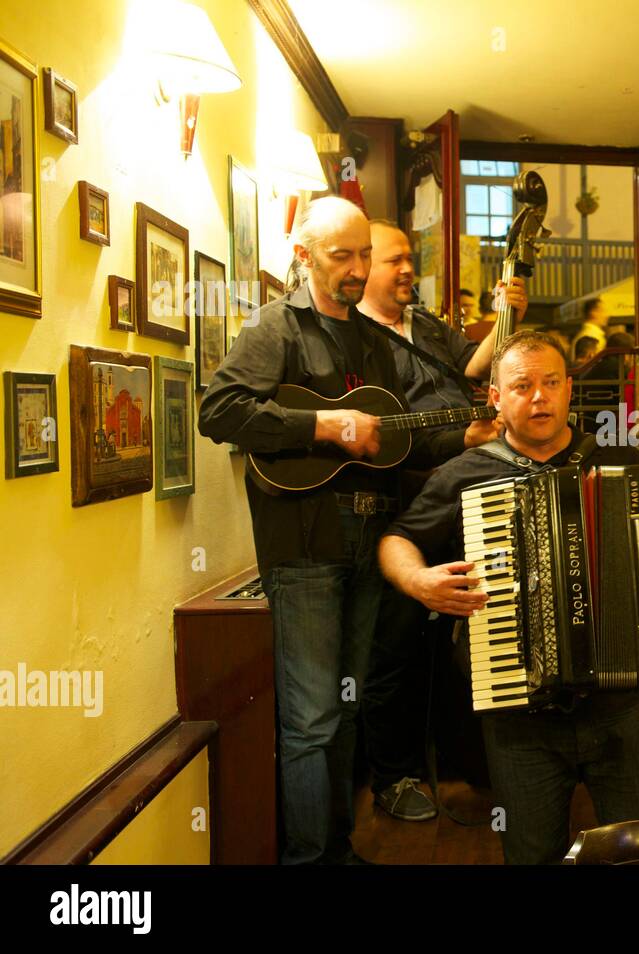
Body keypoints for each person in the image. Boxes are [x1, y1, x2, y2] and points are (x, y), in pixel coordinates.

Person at [377, 331, 639, 864]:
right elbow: (397, 540)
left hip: (621, 707)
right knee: (530, 855)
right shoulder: (466, 474)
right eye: (522, 386)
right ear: (495, 399)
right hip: (518, 711)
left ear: (569, 389)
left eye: (551, 383)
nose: (539, 397)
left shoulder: (624, 460)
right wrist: (418, 581)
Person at [198, 196, 438, 864]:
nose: (358, 268)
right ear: (303, 256)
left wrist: (469, 431)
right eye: (343, 255)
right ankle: (309, 861)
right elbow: (218, 411)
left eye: (366, 253)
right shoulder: (275, 328)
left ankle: (336, 848)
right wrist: (322, 425)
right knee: (310, 721)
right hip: (304, 550)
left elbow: (391, 440)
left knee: (345, 713)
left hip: (367, 545)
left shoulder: (374, 342)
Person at [356, 220, 527, 821]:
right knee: (397, 648)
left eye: (410, 260)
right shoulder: (355, 340)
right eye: (395, 260)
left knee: (471, 631)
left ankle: (471, 764)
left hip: (461, 494)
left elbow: (473, 369)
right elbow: (381, 437)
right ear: (365, 265)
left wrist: (507, 317)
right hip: (404, 507)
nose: (408, 270)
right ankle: (394, 777)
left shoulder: (424, 325)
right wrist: (463, 436)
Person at [569, 297, 609, 363]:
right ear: (593, 312)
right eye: (602, 311)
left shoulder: (583, 334)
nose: (606, 315)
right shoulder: (592, 336)